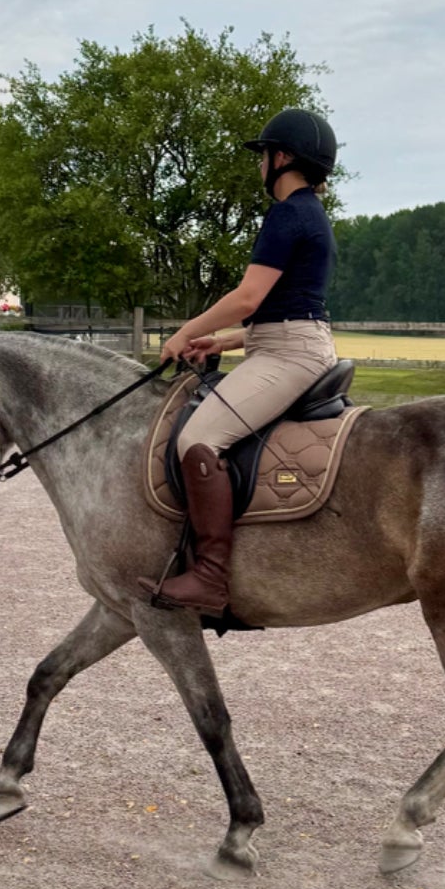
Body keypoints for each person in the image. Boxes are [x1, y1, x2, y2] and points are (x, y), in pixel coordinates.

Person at [141, 107, 340, 615]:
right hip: (287, 343)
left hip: (290, 354)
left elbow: (249, 297)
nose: (260, 165)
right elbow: (282, 308)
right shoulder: (308, 214)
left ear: (282, 158)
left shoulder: (288, 214)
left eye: (263, 155)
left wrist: (187, 331)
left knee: (197, 440)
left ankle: (210, 576)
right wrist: (222, 343)